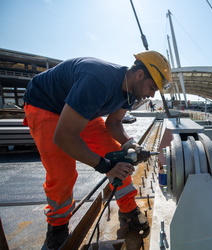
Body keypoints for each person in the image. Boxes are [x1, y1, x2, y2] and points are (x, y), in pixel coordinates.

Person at [22, 50, 172, 249]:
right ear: (139, 74)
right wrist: (105, 166)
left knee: (118, 154)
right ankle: (57, 225)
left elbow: (114, 123)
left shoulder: (130, 92)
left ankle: (128, 208)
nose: (152, 94)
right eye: (152, 87)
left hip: (82, 108)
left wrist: (129, 144)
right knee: (62, 173)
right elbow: (64, 137)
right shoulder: (98, 81)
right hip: (46, 105)